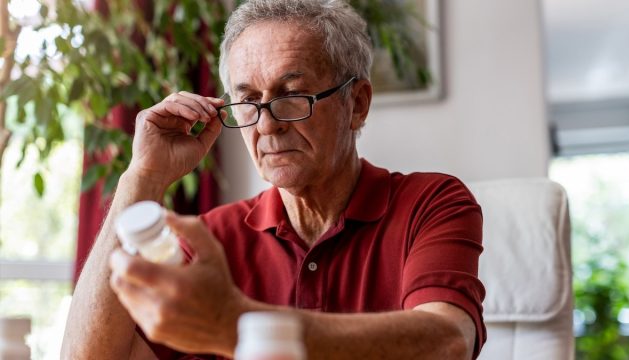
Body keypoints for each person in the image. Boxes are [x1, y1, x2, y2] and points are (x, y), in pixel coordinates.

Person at [61, 0, 486, 359]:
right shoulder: (210, 239)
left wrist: (237, 325)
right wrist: (144, 177)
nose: (267, 125)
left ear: (356, 104)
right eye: (248, 100)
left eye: (291, 95)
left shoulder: (430, 202)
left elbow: (448, 341)